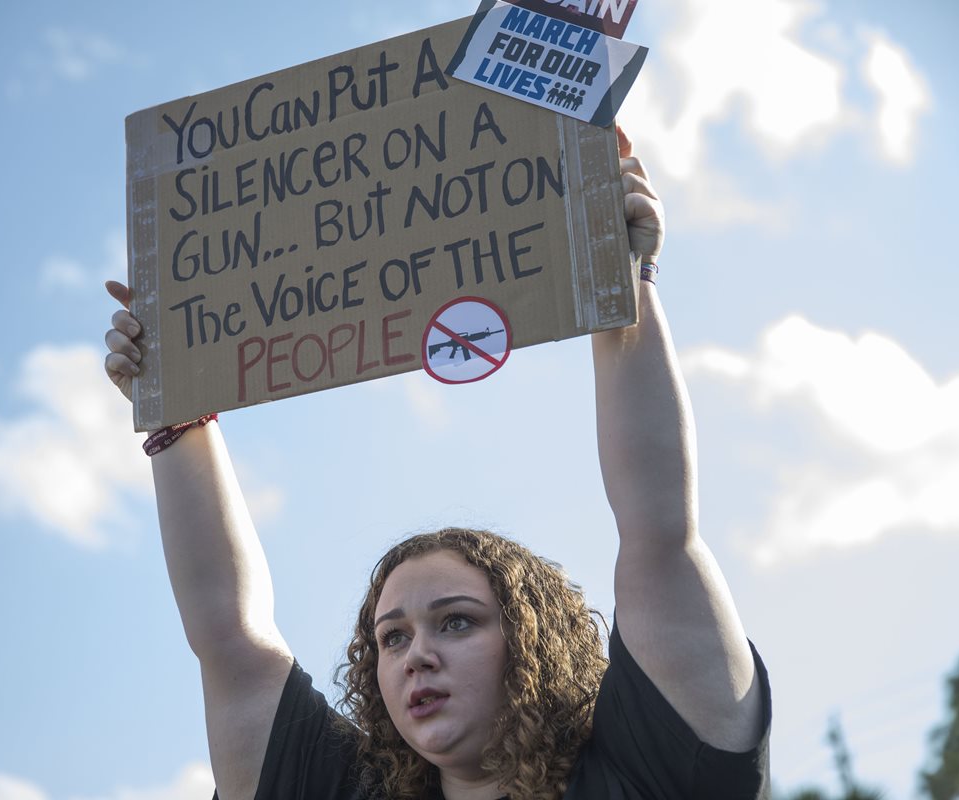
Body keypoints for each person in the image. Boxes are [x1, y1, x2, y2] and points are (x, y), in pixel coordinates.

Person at [103, 127, 771, 799]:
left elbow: (658, 532)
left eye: (457, 621)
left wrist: (620, 277)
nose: (416, 656)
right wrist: (176, 415)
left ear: (534, 643)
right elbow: (230, 639)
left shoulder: (645, 771)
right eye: (391, 639)